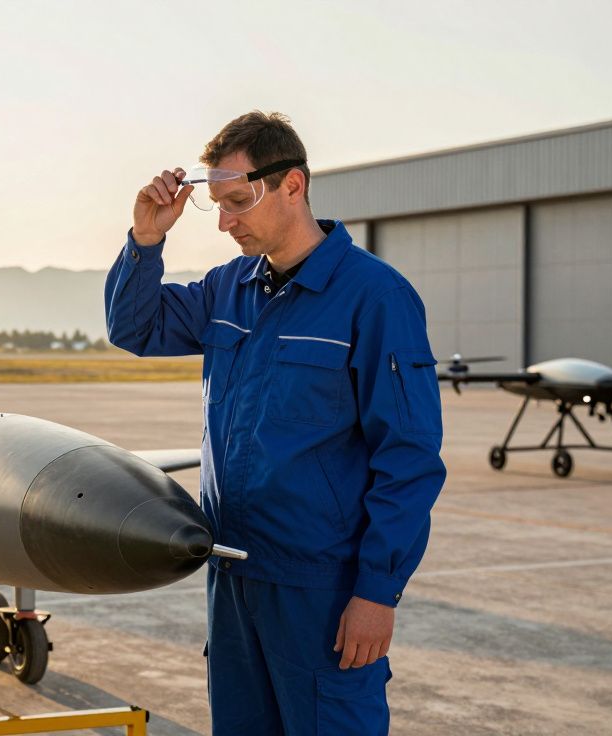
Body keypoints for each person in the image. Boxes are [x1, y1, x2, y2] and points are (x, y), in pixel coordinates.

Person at [104, 111, 446, 735]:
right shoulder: (228, 289)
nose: (226, 222)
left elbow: (409, 457)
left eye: (238, 202)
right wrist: (145, 239)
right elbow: (135, 327)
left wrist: (377, 592)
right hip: (231, 574)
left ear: (292, 185)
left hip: (321, 589)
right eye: (218, 206)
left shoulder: (375, 297)